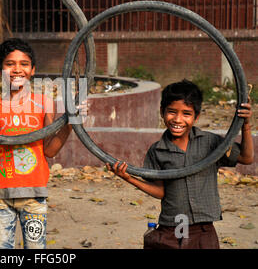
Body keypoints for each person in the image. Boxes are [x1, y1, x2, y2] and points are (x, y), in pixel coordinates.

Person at [0, 38, 88, 249]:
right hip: (1, 196)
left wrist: (71, 123)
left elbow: (50, 150)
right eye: (10, 64)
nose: (17, 69)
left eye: (24, 64)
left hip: (34, 195)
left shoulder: (44, 103)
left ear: (32, 69)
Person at [107, 79, 254, 249]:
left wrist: (245, 125)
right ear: (162, 112)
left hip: (203, 230)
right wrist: (128, 177)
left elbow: (246, 158)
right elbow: (161, 191)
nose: (178, 119)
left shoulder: (210, 142)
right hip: (173, 227)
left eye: (186, 113)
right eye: (172, 112)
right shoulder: (157, 151)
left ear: (196, 116)